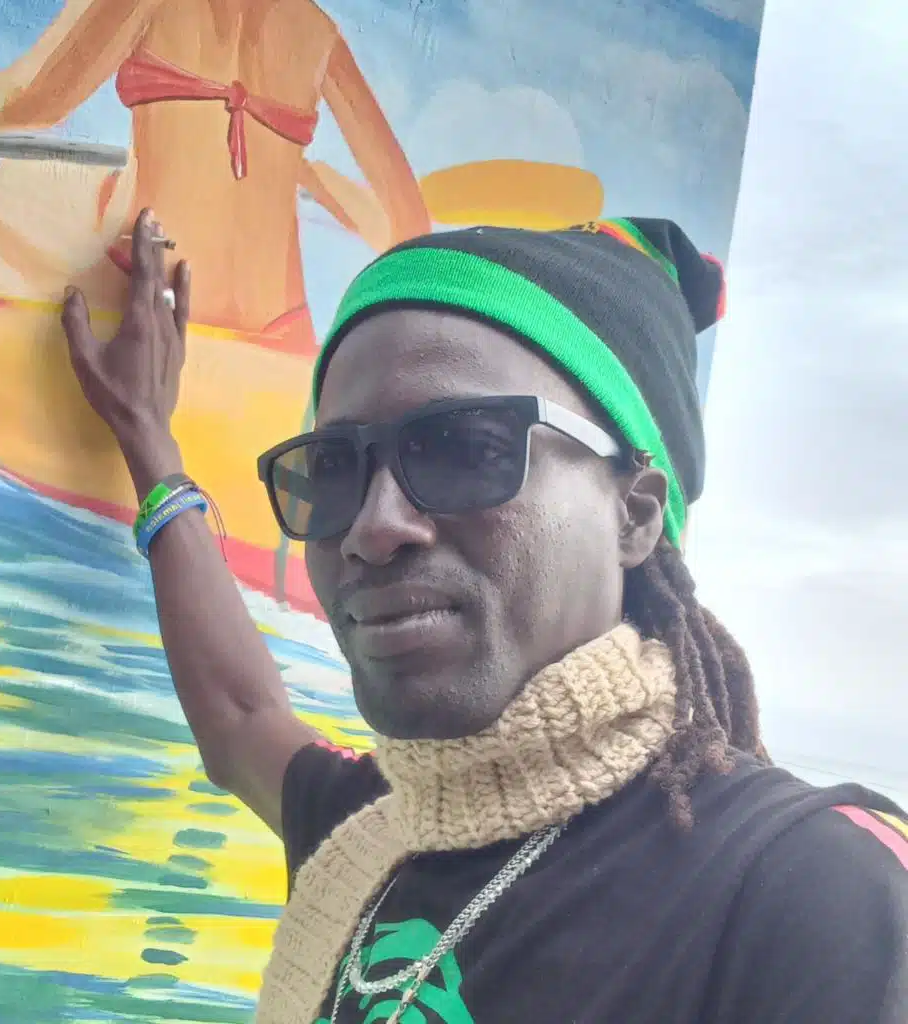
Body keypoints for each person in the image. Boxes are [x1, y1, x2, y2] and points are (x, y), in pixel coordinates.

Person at [62, 209, 908, 1024]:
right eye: (333, 469)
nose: (373, 527)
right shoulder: (381, 832)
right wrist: (146, 437)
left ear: (635, 516)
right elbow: (241, 717)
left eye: (468, 448)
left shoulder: (811, 892)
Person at [0, 0, 430, 340]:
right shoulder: (317, 31)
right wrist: (299, 170)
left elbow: (24, 104)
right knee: (54, 185)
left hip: (153, 302)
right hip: (281, 327)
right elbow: (409, 226)